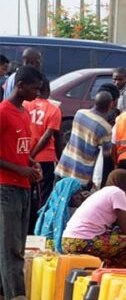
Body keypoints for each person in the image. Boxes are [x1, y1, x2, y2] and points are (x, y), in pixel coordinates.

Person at [0, 66, 45, 300]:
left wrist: (30, 163)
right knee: (11, 247)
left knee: (11, 244)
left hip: (22, 186)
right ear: (21, 85)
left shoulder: (24, 113)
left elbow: (18, 150)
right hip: (6, 186)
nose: (36, 93)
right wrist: (20, 168)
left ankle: (4, 298)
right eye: (34, 89)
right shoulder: (4, 112)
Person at [61, 169, 126, 277]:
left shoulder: (104, 192)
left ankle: (113, 275)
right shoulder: (118, 193)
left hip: (68, 240)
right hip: (81, 241)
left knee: (115, 242)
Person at [55, 91, 114, 186]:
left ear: (95, 102)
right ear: (110, 105)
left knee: (56, 199)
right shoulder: (105, 128)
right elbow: (106, 154)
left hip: (64, 165)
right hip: (82, 174)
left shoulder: (80, 113)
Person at [27, 79, 61, 212]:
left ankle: (28, 224)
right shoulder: (54, 109)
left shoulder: (25, 104)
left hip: (25, 155)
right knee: (44, 195)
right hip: (45, 157)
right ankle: (40, 226)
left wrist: (28, 156)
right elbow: (48, 136)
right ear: (48, 90)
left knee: (27, 192)